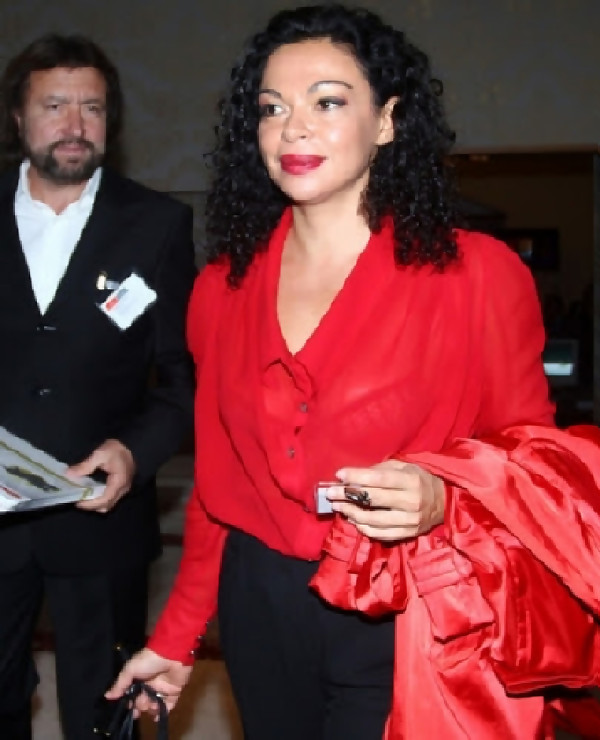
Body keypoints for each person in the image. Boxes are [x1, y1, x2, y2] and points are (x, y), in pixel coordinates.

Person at [108, 5, 600, 738]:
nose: (293, 128)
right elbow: (219, 489)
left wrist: (444, 496)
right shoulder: (221, 290)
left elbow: (531, 469)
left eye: (328, 102)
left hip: (410, 602)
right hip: (261, 603)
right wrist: (176, 639)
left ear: (388, 121)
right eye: (272, 108)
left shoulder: (478, 276)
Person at [0, 33, 196, 739]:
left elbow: (185, 378)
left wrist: (134, 452)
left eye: (92, 107)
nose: (75, 124)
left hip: (102, 518)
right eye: (54, 105)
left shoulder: (158, 225)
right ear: (18, 118)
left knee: (103, 710)